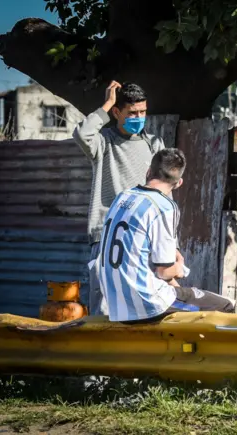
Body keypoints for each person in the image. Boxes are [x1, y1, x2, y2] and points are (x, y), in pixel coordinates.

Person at [95, 148, 235, 323]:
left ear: (148, 172)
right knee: (226, 305)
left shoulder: (122, 197)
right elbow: (164, 271)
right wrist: (180, 267)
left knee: (183, 297)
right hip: (146, 303)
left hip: (116, 304)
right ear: (179, 183)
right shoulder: (164, 207)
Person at [73, 81, 166, 315]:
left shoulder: (154, 144)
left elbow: (164, 194)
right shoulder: (103, 141)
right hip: (106, 236)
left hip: (142, 238)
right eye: (132, 112)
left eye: (143, 112)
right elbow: (82, 133)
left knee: (143, 309)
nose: (139, 117)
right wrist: (107, 103)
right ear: (117, 113)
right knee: (104, 310)